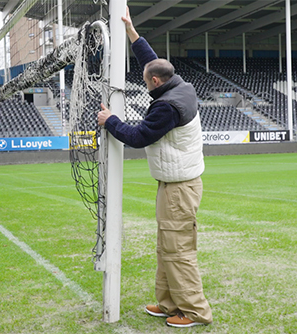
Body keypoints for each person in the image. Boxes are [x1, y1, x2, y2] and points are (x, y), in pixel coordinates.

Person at [96, 7, 212, 328]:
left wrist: (110, 121)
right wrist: (132, 31)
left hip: (179, 189)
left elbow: (137, 137)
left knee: (177, 251)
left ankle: (195, 310)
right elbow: (152, 61)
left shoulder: (165, 106)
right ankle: (168, 303)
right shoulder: (179, 84)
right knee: (166, 247)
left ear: (156, 82)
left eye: (147, 82)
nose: (146, 84)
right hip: (173, 184)